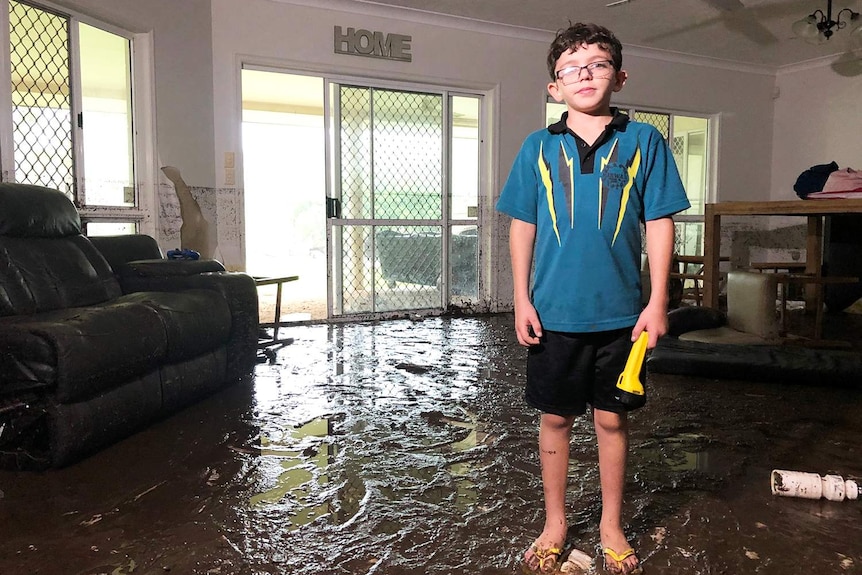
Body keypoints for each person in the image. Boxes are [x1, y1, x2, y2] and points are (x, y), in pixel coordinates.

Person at [495, 22, 690, 575]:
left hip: (623, 319)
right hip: (553, 314)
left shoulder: (644, 141)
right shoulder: (538, 146)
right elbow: (522, 227)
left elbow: (659, 222)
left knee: (611, 421)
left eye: (598, 64)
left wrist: (657, 302)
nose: (585, 73)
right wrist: (521, 299)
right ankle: (555, 521)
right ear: (553, 87)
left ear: (620, 77)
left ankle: (610, 524)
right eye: (570, 68)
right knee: (555, 419)